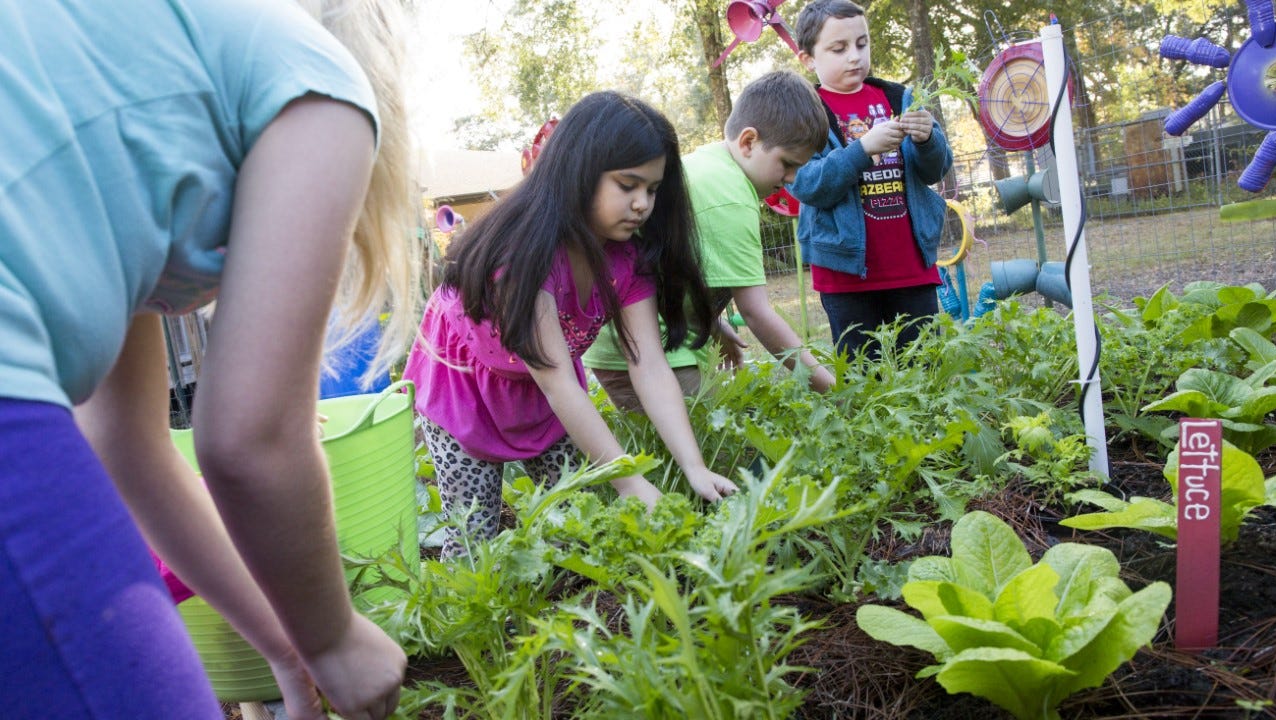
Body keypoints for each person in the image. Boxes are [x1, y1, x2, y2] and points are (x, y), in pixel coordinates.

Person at [0, 0, 421, 717]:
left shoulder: (111, 85)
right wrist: (335, 638)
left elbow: (131, 447)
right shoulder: (317, 81)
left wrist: (289, 649)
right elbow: (251, 440)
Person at [402, 91, 738, 559]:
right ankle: (470, 628)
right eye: (628, 185)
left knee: (570, 515)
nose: (643, 204)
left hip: (540, 386)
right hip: (465, 390)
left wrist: (694, 465)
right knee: (474, 533)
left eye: (653, 189)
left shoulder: (625, 258)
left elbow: (649, 364)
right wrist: (630, 483)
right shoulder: (521, 258)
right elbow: (559, 384)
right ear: (579, 171)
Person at [584, 70, 838, 409]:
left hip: (645, 342)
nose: (792, 179)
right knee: (720, 449)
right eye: (787, 164)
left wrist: (713, 324)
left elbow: (671, 264)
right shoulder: (731, 198)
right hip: (647, 352)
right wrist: (831, 389)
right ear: (748, 142)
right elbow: (756, 312)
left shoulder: (709, 164)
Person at [789, 0, 954, 359]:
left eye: (862, 44)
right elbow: (807, 184)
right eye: (839, 48)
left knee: (925, 371)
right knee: (863, 375)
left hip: (912, 268)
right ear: (808, 59)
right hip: (846, 277)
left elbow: (936, 170)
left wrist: (928, 140)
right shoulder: (805, 114)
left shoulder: (899, 97)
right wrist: (861, 150)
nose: (855, 56)